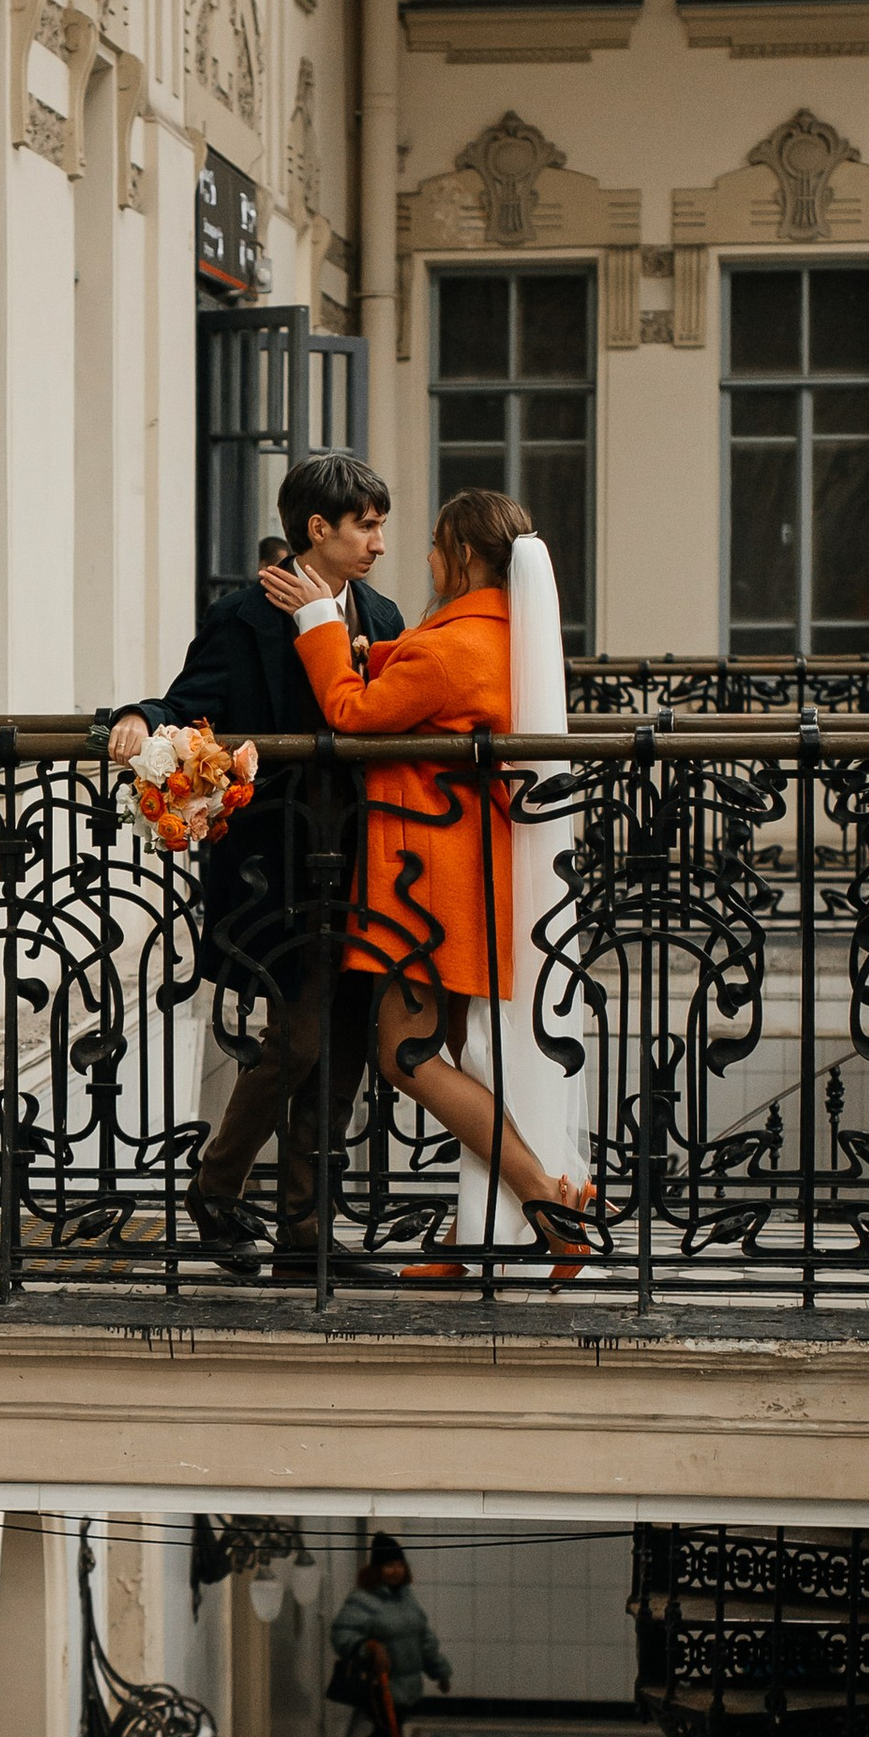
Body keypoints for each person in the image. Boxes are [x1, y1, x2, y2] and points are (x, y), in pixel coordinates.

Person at [266, 487, 595, 1277]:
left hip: (428, 887)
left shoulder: (454, 650)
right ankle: (480, 1231)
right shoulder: (502, 640)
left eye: (436, 542)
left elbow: (352, 711)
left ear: (466, 557)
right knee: (461, 1054)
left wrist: (317, 624)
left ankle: (545, 1204)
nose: (422, 556)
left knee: (406, 1058)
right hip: (468, 877)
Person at [104, 454, 405, 1283]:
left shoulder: (380, 611)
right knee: (301, 1037)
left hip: (365, 857)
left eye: (380, 524)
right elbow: (191, 701)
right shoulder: (243, 615)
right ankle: (216, 1184)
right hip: (279, 861)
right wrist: (136, 715)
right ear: (319, 529)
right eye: (367, 525)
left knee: (342, 1040)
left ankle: (307, 1229)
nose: (380, 541)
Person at [318, 1535, 450, 1737]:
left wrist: (440, 1672)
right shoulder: (363, 1599)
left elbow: (423, 1638)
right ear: (376, 1569)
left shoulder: (406, 1597)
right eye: (387, 1565)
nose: (394, 1571)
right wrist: (368, 1647)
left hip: (405, 1686)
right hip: (379, 1688)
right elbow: (341, 1634)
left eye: (398, 1564)